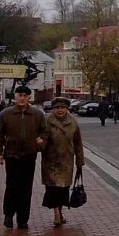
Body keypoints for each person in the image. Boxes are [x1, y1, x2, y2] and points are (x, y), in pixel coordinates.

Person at [0, 84, 47, 229]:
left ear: (29, 97)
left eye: (25, 96)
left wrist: (41, 142)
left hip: (29, 156)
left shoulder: (37, 114)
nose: (22, 98)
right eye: (19, 95)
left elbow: (45, 132)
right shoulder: (6, 114)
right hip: (12, 156)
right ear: (15, 97)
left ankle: (23, 219)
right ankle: (9, 215)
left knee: (26, 188)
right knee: (12, 186)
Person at [40, 96, 85, 227]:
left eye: (63, 108)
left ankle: (60, 212)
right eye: (57, 108)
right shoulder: (47, 121)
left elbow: (78, 143)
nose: (60, 110)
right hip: (51, 161)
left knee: (63, 189)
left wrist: (80, 161)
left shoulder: (73, 122)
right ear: (53, 109)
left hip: (66, 161)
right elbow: (42, 141)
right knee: (53, 189)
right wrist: (40, 144)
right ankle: (56, 215)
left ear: (67, 109)